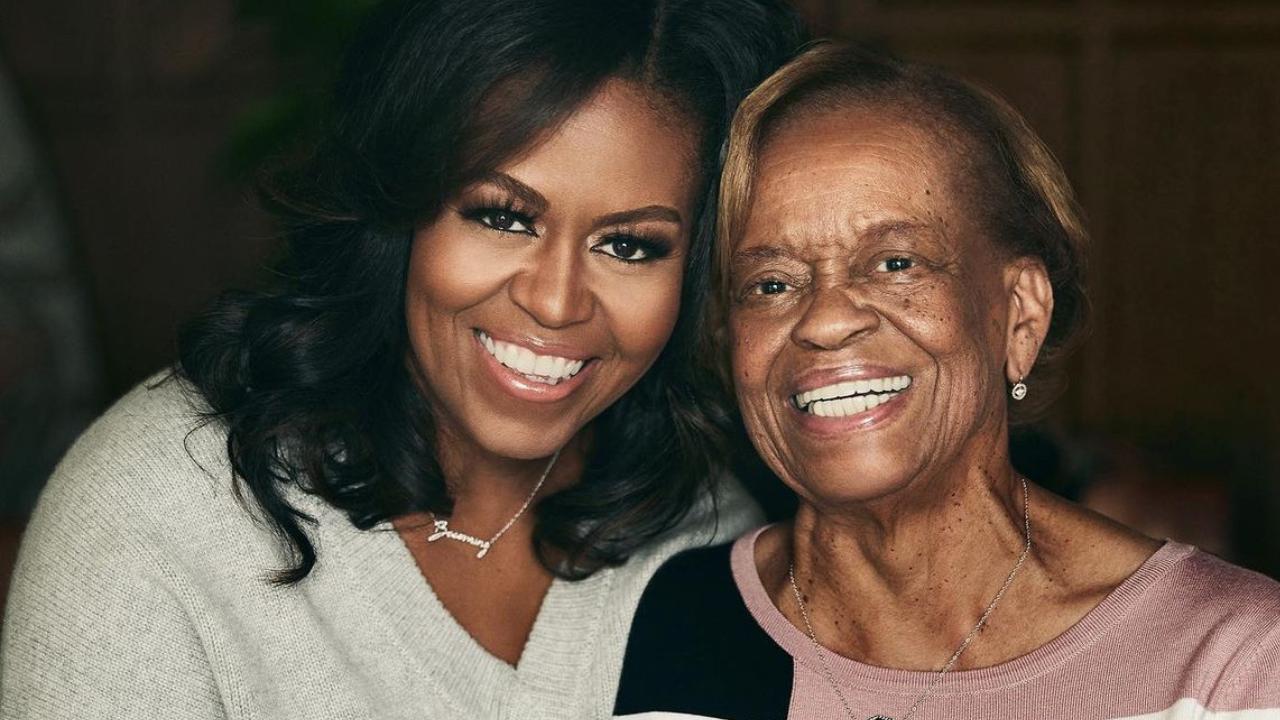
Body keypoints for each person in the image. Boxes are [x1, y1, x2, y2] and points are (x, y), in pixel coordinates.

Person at [0, 2, 804, 718]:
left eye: (630, 245)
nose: (557, 302)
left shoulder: (710, 539)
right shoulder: (163, 507)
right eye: (503, 217)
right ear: (399, 209)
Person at [614, 43, 1280, 720]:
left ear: (1019, 317)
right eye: (771, 283)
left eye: (896, 262)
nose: (825, 319)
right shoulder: (668, 618)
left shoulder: (1233, 661)